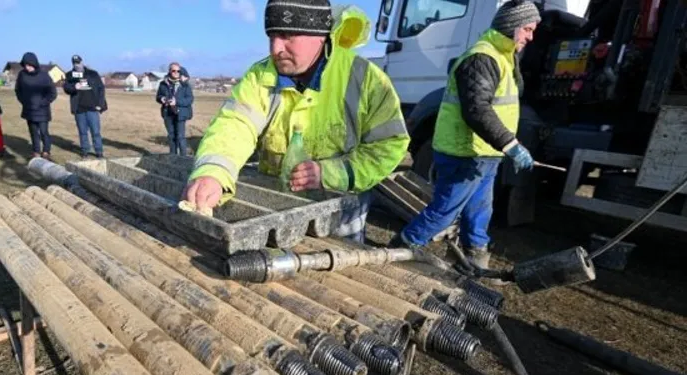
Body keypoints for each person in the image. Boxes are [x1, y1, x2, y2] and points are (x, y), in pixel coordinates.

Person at [182, 1, 409, 243]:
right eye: (271, 36)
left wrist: (331, 173)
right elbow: (235, 124)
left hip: (341, 212)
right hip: (277, 208)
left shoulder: (365, 79)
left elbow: (389, 144)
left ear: (320, 35)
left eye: (287, 36)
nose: (276, 48)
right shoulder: (260, 76)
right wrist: (214, 173)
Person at [395, 0, 540, 271]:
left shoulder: (502, 57)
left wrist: (504, 147)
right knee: (444, 212)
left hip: (485, 153)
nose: (531, 37)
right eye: (528, 29)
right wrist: (511, 145)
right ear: (511, 27)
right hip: (464, 152)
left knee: (479, 211)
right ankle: (399, 250)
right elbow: (477, 110)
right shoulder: (482, 58)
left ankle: (474, 260)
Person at [14, 52, 57, 160]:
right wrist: (24, 101)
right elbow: (18, 90)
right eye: (25, 65)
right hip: (29, 109)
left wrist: (43, 103)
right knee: (33, 132)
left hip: (42, 110)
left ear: (34, 63)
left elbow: (52, 93)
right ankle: (36, 151)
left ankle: (46, 151)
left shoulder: (44, 75)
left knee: (43, 132)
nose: (27, 67)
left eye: (29, 65)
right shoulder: (22, 75)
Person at [63, 54, 107, 159]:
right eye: (74, 63)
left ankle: (99, 151)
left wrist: (100, 105)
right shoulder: (70, 75)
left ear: (82, 62)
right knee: (82, 132)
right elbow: (66, 88)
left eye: (78, 62)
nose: (77, 65)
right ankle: (85, 151)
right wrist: (74, 86)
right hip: (79, 108)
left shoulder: (93, 74)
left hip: (92, 108)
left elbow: (101, 89)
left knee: (95, 132)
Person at [156, 61, 193, 156]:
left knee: (180, 137)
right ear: (169, 71)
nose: (176, 72)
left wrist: (177, 102)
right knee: (171, 136)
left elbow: (190, 100)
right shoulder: (163, 84)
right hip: (167, 113)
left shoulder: (185, 85)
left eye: (178, 71)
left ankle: (183, 158)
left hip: (181, 114)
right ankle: (173, 157)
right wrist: (162, 99)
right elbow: (158, 96)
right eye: (174, 71)